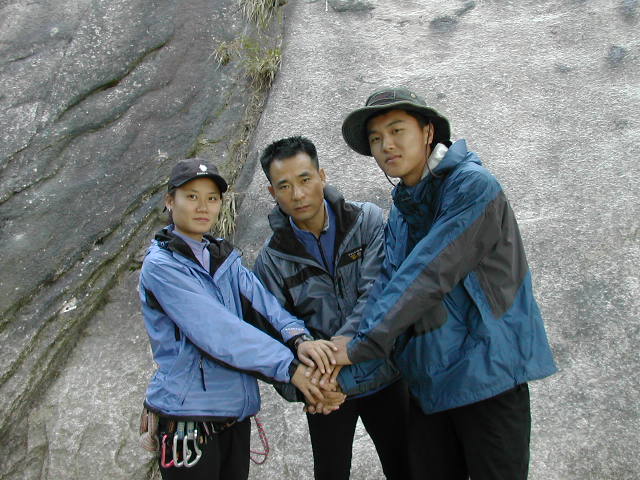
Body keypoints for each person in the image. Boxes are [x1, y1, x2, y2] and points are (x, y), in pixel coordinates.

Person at [332, 88, 557, 479]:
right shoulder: (401, 211)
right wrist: (339, 371)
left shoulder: (472, 187)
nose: (386, 145)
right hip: (429, 387)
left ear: (428, 131)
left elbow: (427, 274)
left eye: (397, 130)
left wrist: (357, 347)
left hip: (488, 379)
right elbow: (386, 285)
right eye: (376, 138)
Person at [138, 157, 343, 480]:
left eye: (212, 198)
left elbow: (266, 308)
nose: (203, 207)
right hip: (189, 417)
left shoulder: (222, 257)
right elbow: (219, 331)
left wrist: (300, 340)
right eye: (191, 196)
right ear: (170, 201)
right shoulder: (163, 266)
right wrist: (292, 370)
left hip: (234, 414)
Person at [253, 136, 411, 480]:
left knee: (407, 468)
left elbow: (378, 295)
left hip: (382, 375)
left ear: (322, 176)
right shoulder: (271, 260)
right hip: (327, 393)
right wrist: (307, 387)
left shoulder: (366, 221)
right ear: (272, 192)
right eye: (284, 186)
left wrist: (330, 367)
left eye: (305, 179)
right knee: (330, 472)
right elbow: (271, 334)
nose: (298, 194)